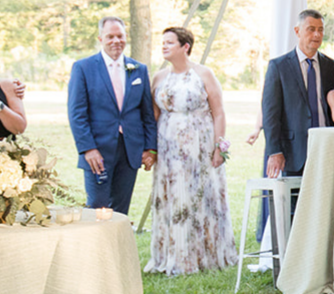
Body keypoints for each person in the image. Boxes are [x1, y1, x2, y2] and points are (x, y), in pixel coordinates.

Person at [146, 27, 237, 276]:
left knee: (199, 197)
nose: (163, 46)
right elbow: (153, 115)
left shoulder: (203, 74)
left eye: (169, 42)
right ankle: (172, 255)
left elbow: (218, 112)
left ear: (185, 47)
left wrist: (219, 147)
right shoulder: (159, 78)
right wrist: (151, 150)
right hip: (168, 149)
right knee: (172, 197)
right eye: (162, 42)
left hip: (199, 146)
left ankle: (204, 253)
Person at [67, 16, 157, 214]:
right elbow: (76, 114)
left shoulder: (139, 70)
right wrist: (88, 149)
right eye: (110, 36)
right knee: (97, 208)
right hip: (97, 151)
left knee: (121, 211)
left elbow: (147, 114)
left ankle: (118, 245)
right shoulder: (83, 68)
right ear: (100, 38)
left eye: (120, 36)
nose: (116, 41)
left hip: (130, 150)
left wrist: (150, 148)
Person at [261, 10, 334, 180]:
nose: (317, 34)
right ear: (297, 31)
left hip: (327, 148)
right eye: (311, 29)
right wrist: (274, 151)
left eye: (320, 29)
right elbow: (270, 113)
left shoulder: (331, 66)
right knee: (295, 206)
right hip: (294, 152)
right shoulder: (279, 67)